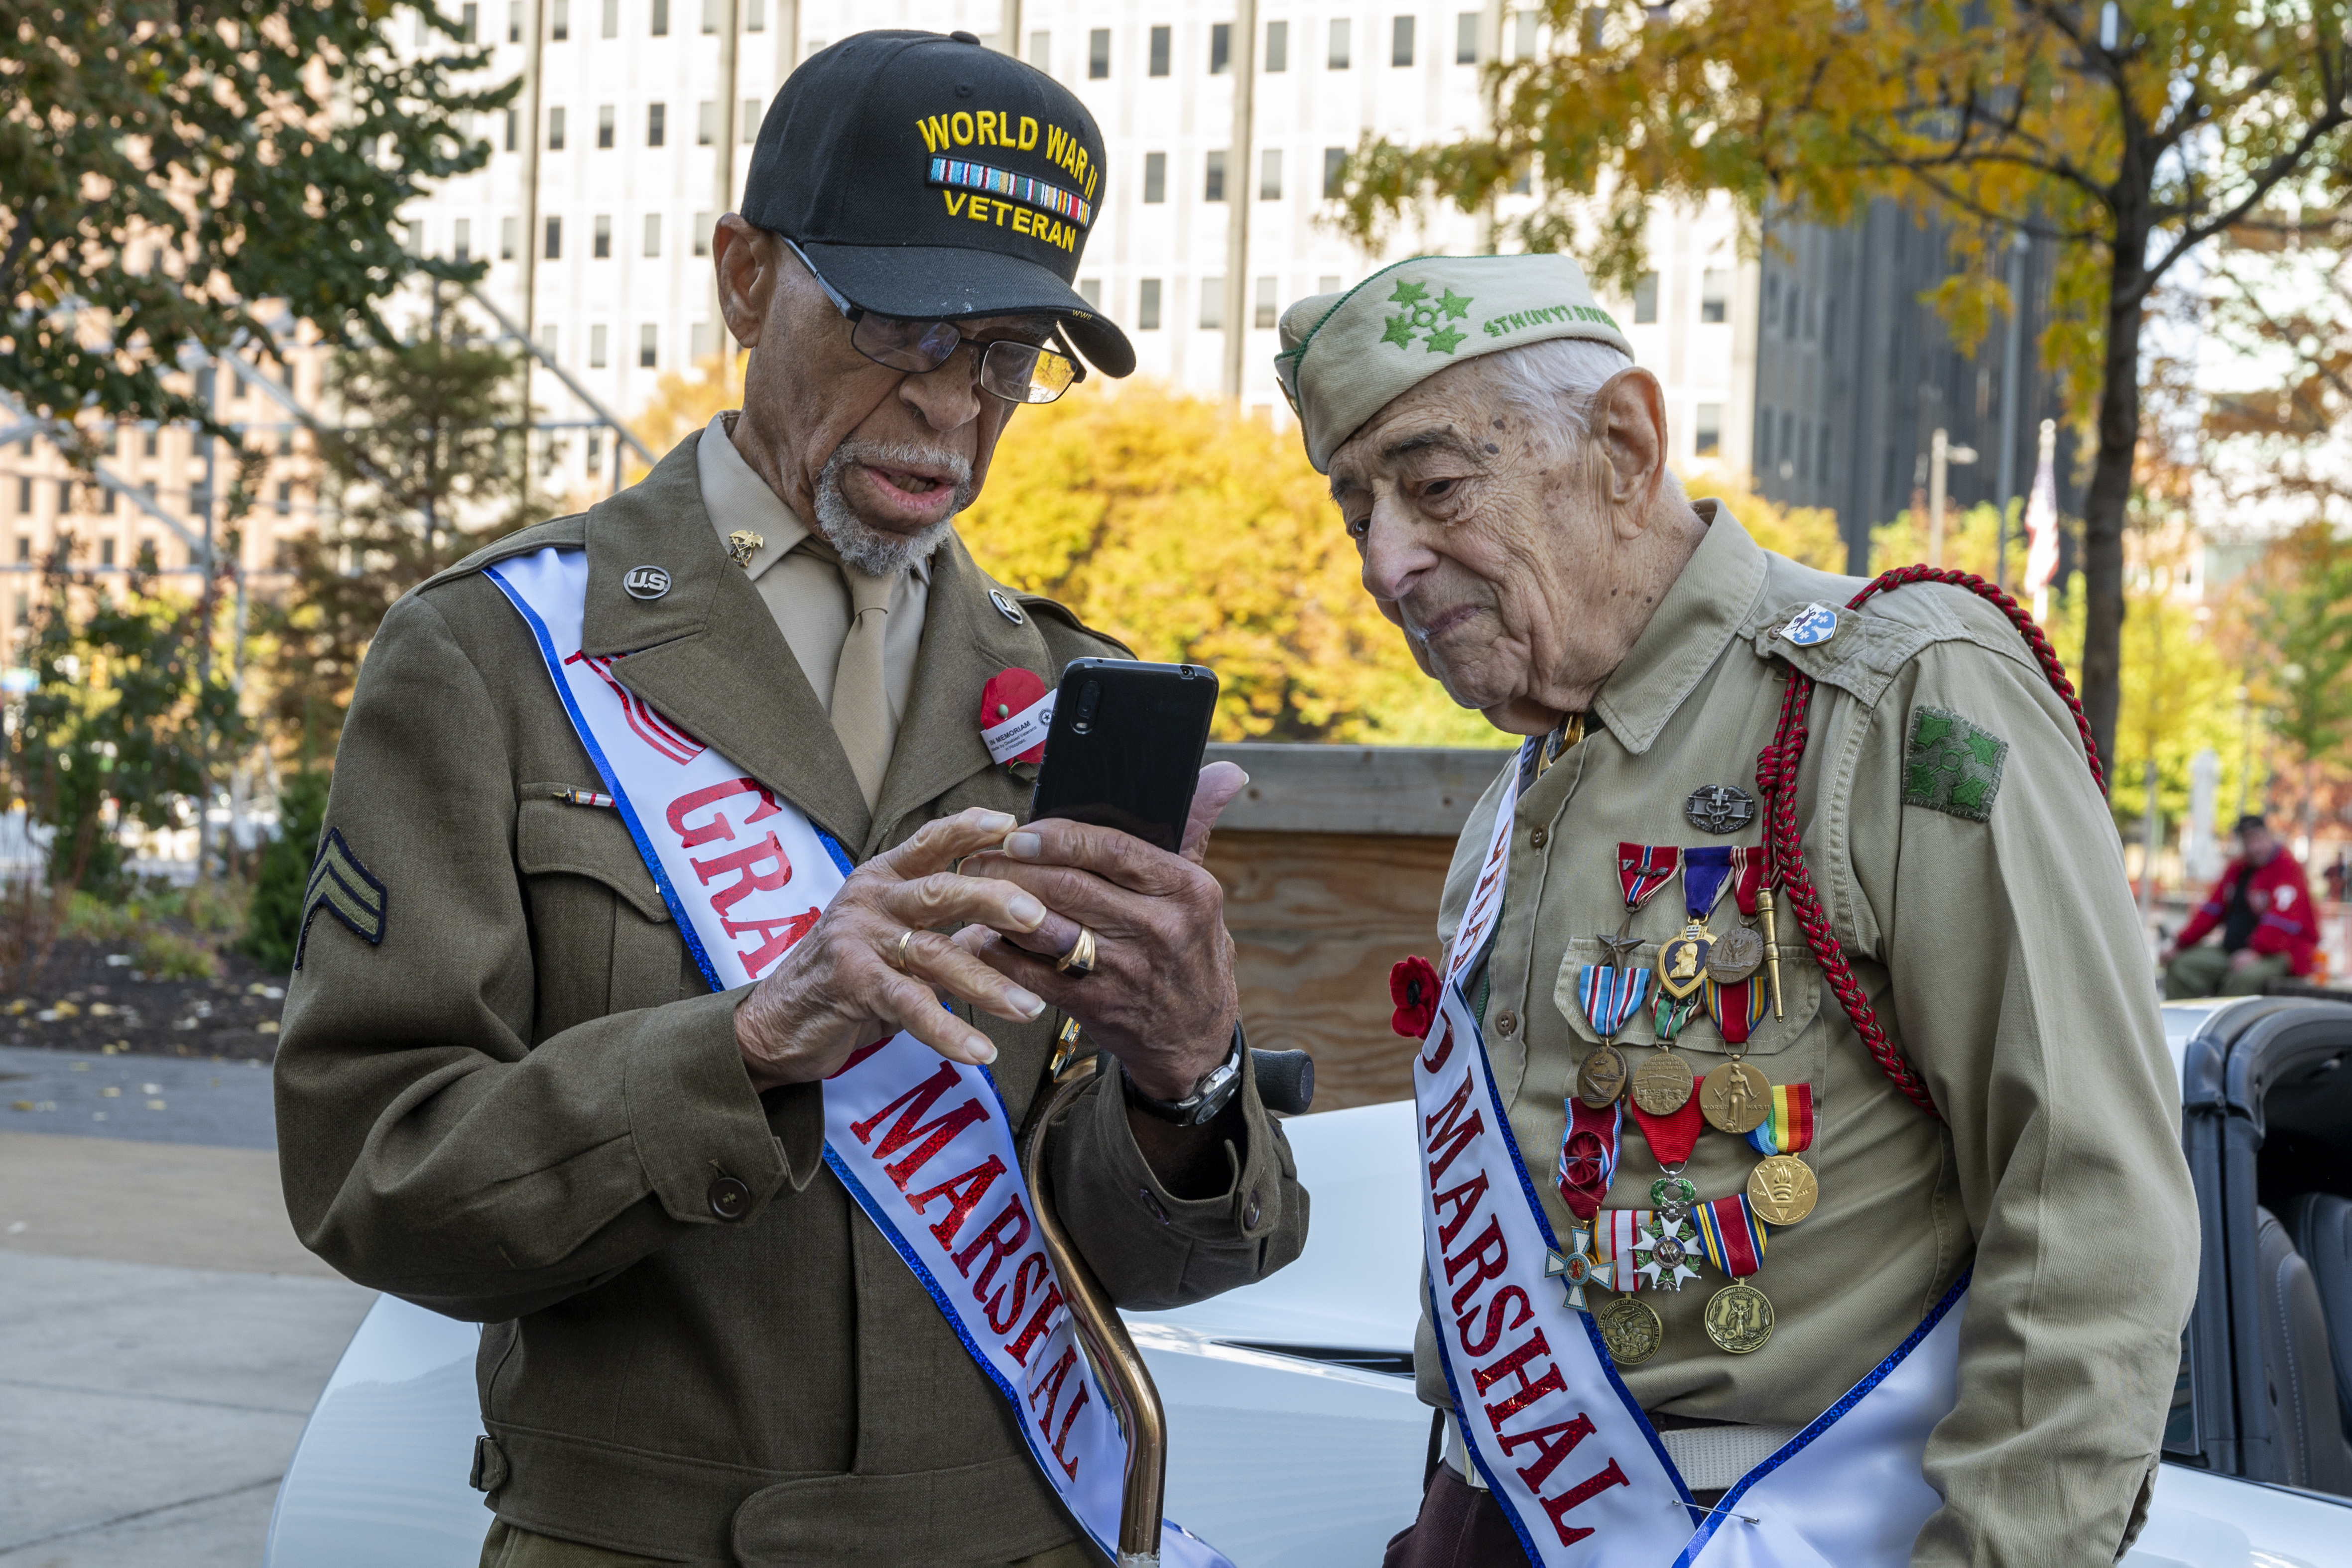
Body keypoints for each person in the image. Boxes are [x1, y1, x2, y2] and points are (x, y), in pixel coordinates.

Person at [275, 31, 1305, 1568]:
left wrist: (1184, 1077)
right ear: (745, 276)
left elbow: (1149, 1256)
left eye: (1009, 353)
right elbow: (373, 1174)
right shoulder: (499, 652)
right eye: (899, 325)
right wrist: (753, 1033)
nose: (953, 408)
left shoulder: (1067, 694)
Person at [1274, 254, 2196, 1566]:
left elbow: (2090, 1211)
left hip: (1765, 1522)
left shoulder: (1891, 698)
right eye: (1353, 506)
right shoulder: (1517, 792)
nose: (1383, 560)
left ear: (1624, 443)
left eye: (1432, 486)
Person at [2163, 814, 2319, 997]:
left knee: (2242, 980)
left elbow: (2282, 919)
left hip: (2279, 953)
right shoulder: (2237, 868)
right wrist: (2181, 943)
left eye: (2258, 839)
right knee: (2182, 966)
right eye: (2248, 841)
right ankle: (2185, 1023)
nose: (2255, 848)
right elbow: (2212, 911)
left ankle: (2229, 1026)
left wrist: (2256, 952)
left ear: (2269, 836)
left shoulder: (2287, 867)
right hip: (2232, 949)